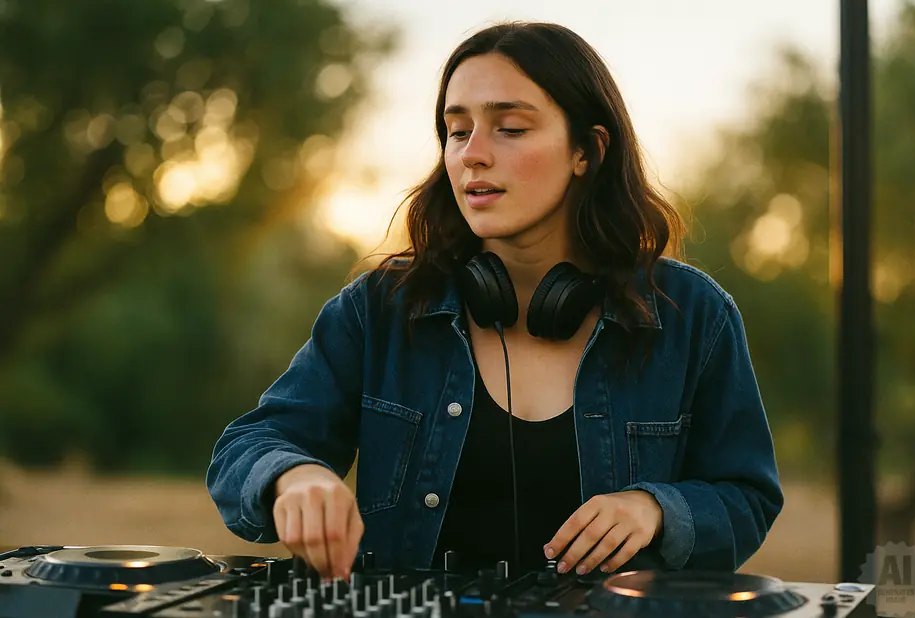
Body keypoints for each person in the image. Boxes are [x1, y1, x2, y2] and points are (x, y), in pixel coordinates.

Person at [206, 21, 783, 582]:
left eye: (509, 128)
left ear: (587, 150)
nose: (472, 155)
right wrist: (295, 476)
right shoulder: (379, 309)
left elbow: (748, 496)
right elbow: (248, 445)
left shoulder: (691, 314)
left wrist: (656, 509)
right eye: (457, 131)